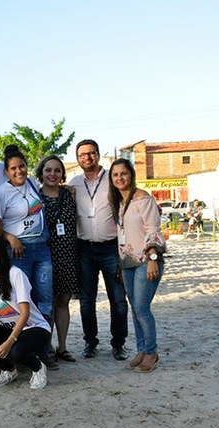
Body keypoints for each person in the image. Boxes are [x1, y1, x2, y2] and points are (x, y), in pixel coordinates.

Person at [0, 145, 56, 369]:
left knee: (45, 302)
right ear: (6, 171)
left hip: (41, 248)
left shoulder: (31, 182)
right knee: (23, 303)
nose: (19, 171)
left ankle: (44, 350)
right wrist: (10, 238)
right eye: (13, 168)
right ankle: (24, 351)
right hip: (18, 251)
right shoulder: (0, 193)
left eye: (22, 166)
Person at [68, 139, 129, 360]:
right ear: (78, 159)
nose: (87, 158)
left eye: (91, 153)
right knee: (86, 300)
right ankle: (90, 342)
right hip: (84, 248)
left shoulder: (112, 180)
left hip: (111, 247)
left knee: (118, 299)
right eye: (82, 155)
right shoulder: (74, 183)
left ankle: (118, 343)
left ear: (98, 155)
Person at [109, 159, 166, 373]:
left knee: (142, 308)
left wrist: (152, 259)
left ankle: (151, 352)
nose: (120, 178)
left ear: (131, 175)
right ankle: (142, 349)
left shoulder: (143, 199)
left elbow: (154, 230)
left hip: (146, 262)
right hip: (127, 264)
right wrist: (120, 265)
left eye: (124, 173)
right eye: (115, 175)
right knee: (134, 308)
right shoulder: (122, 202)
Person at [0, 233, 50, 390]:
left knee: (15, 351)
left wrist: (10, 342)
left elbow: (25, 312)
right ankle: (9, 371)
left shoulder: (15, 273)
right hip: (11, 327)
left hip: (35, 327)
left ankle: (38, 368)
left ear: (1, 251)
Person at [36, 155, 78, 362]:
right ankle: (48, 346)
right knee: (47, 303)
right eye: (48, 170)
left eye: (57, 170)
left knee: (64, 302)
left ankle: (62, 346)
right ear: (41, 173)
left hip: (68, 255)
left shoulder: (70, 194)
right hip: (45, 256)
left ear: (62, 174)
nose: (52, 174)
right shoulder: (35, 196)